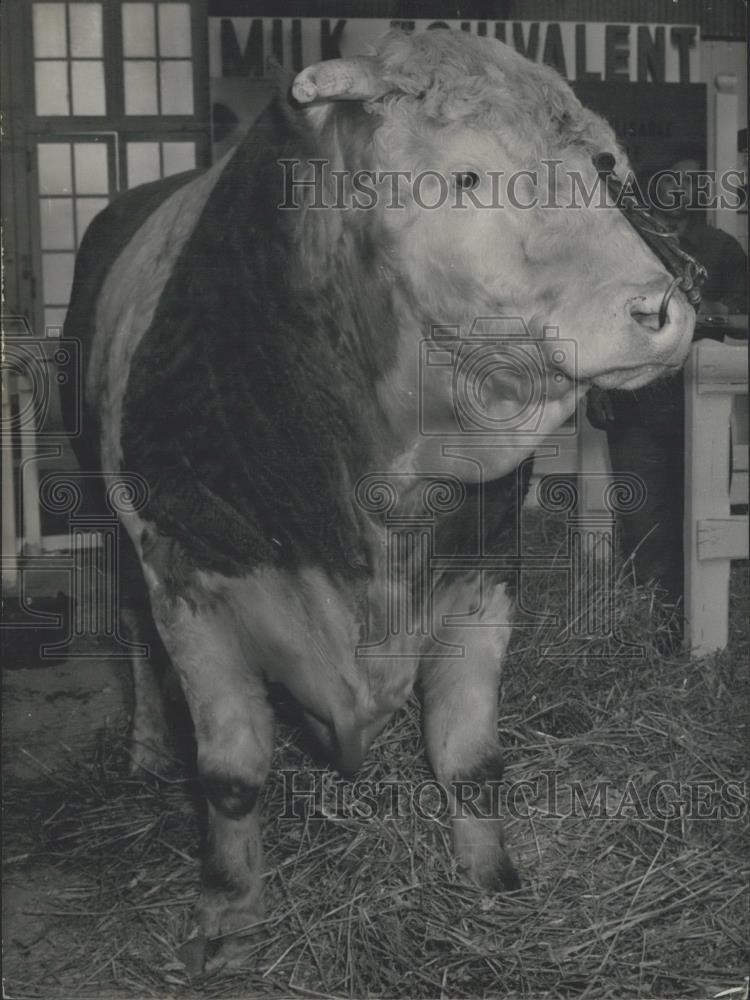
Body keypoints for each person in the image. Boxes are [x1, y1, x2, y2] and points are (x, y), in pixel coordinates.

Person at [587, 158, 747, 629]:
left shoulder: (720, 248)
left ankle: (705, 629)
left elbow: (741, 312)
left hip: (700, 406)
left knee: (702, 513)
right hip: (634, 404)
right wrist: (595, 385)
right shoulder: (621, 246)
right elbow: (596, 320)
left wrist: (707, 312)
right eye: (670, 178)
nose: (681, 189)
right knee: (642, 520)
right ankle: (657, 629)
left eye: (693, 181)